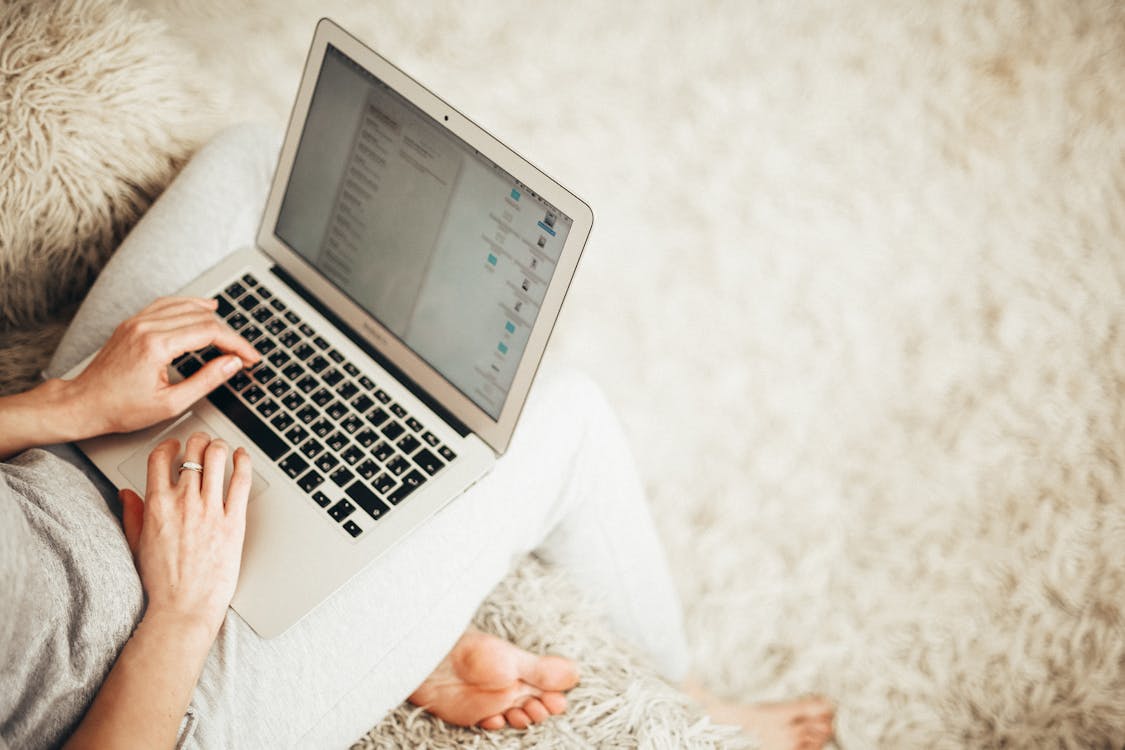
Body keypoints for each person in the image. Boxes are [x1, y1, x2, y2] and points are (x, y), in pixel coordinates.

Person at [0, 125, 835, 750]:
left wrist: (71, 406)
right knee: (568, 417)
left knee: (258, 158)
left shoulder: (71, 419)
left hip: (65, 459)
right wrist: (183, 612)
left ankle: (385, 602)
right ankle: (690, 698)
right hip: (165, 684)